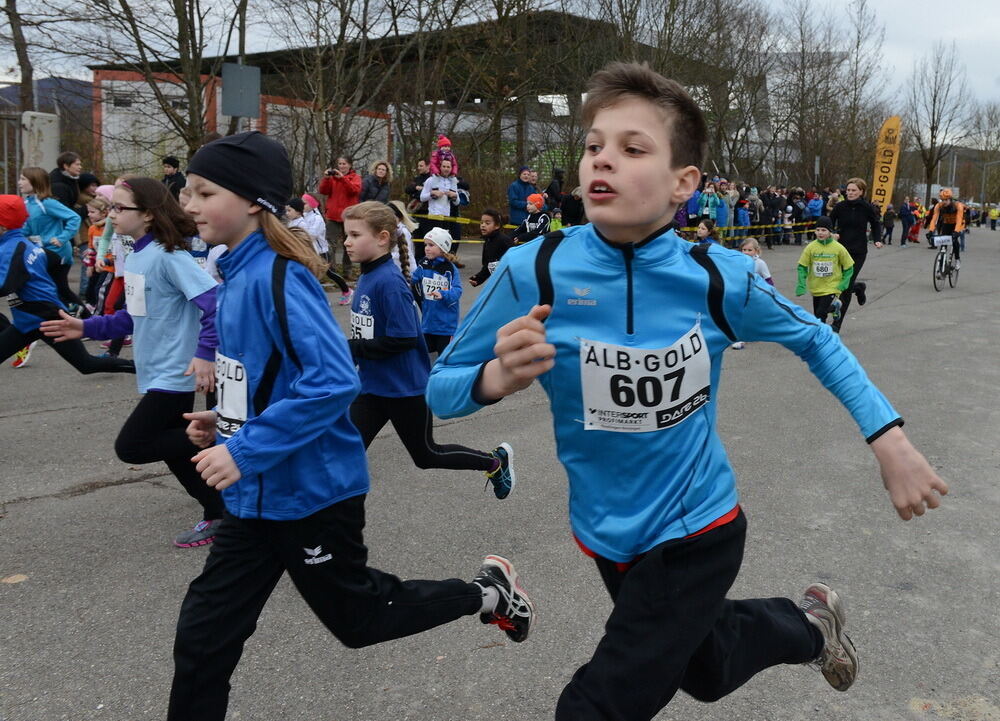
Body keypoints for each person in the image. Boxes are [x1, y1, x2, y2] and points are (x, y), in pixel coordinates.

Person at [426, 61, 948, 721]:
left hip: (699, 526)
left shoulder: (719, 278)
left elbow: (816, 338)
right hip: (608, 532)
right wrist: (492, 379)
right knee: (706, 668)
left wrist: (888, 437)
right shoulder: (537, 269)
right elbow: (439, 390)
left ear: (683, 184)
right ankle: (813, 624)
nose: (602, 161)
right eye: (594, 146)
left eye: (632, 147)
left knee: (599, 704)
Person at [162, 132, 533, 720]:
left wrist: (247, 446)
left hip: (311, 496)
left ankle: (487, 594)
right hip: (254, 500)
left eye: (205, 191)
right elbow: (269, 377)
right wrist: (227, 421)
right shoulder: (233, 278)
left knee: (361, 621)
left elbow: (333, 380)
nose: (188, 203)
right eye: (189, 190)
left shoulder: (280, 278)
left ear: (253, 199)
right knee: (202, 641)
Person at [41, 177, 224, 548]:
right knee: (175, 450)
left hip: (175, 373)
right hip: (154, 370)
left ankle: (227, 444)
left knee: (134, 446)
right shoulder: (138, 254)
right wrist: (84, 326)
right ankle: (219, 511)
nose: (112, 214)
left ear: (149, 214)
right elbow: (131, 316)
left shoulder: (169, 256)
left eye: (119, 208)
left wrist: (204, 355)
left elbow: (215, 306)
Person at [342, 200, 517, 496]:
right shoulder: (369, 275)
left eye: (355, 235)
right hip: (372, 387)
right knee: (344, 450)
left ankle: (493, 462)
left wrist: (351, 348)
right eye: (346, 235)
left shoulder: (389, 282)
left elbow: (405, 339)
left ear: (383, 238)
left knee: (426, 455)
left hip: (404, 389)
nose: (346, 242)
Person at [0, 194, 135, 373]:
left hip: (49, 319)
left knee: (87, 365)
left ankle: (142, 367)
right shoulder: (20, 243)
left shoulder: (13, 249)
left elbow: (4, 286)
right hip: (26, 321)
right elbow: (53, 259)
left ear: (2, 226)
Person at [19, 167, 88, 315]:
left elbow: (74, 217)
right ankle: (69, 314)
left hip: (57, 252)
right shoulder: (26, 203)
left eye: (23, 179)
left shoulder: (47, 203)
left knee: (58, 288)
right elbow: (26, 229)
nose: (20, 182)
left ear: (35, 181)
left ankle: (85, 319)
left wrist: (62, 237)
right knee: (52, 288)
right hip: (41, 251)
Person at [829, 178, 881, 333]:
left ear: (861, 192)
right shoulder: (840, 207)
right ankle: (859, 287)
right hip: (840, 250)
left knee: (845, 287)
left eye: (853, 190)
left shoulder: (866, 207)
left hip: (858, 251)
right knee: (837, 282)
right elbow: (828, 222)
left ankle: (836, 325)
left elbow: (876, 224)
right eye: (848, 190)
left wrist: (877, 239)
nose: (850, 193)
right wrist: (831, 234)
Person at [411, 227, 462, 356]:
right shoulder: (424, 263)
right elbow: (414, 278)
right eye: (425, 245)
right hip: (428, 322)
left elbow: (457, 291)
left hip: (446, 326)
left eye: (431, 245)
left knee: (444, 358)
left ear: (442, 248)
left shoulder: (450, 269)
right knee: (421, 354)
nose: (426, 248)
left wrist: (443, 294)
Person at [795, 217, 854, 329]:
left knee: (821, 312)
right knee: (818, 315)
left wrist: (843, 284)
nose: (820, 233)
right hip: (816, 286)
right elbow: (802, 267)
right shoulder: (811, 247)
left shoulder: (838, 248)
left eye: (823, 230)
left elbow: (849, 267)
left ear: (830, 231)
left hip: (832, 286)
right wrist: (801, 284)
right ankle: (834, 308)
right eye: (818, 230)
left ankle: (822, 336)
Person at [318, 155, 362, 278]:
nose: (342, 166)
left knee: (348, 244)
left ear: (350, 165)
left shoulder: (355, 178)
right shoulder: (332, 179)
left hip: (349, 216)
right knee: (330, 243)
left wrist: (343, 179)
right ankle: (331, 270)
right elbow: (323, 191)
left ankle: (347, 271)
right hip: (333, 216)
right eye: (340, 164)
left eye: (344, 164)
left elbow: (354, 191)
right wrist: (326, 178)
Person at [469, 208, 514, 287]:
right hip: (499, 282)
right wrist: (478, 279)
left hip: (511, 281)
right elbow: (489, 265)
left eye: (487, 223)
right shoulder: (488, 241)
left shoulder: (504, 240)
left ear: (497, 226)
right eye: (481, 222)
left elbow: (516, 259)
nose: (483, 225)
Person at [925, 188, 965, 270]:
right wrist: (931, 231)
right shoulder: (939, 206)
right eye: (942, 200)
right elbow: (934, 219)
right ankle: (941, 267)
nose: (944, 202)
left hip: (957, 224)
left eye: (946, 200)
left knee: (954, 241)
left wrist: (956, 231)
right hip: (946, 223)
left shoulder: (958, 206)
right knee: (943, 243)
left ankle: (957, 259)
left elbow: (959, 219)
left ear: (950, 199)